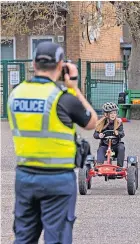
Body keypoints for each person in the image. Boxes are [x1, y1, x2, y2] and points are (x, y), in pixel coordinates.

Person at [7, 42, 98, 244]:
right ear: (60, 66)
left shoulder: (15, 94)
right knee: (56, 238)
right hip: (57, 179)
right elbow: (92, 121)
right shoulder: (62, 99)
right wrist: (73, 87)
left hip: (25, 176)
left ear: (33, 64)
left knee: (23, 237)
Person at [93, 102, 125, 167]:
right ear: (106, 114)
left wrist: (118, 133)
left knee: (121, 148)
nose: (113, 115)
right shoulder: (101, 123)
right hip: (105, 145)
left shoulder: (119, 122)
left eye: (114, 113)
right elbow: (95, 134)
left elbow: (122, 133)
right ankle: (99, 165)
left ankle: (119, 167)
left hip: (116, 144)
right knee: (100, 150)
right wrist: (99, 135)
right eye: (111, 113)